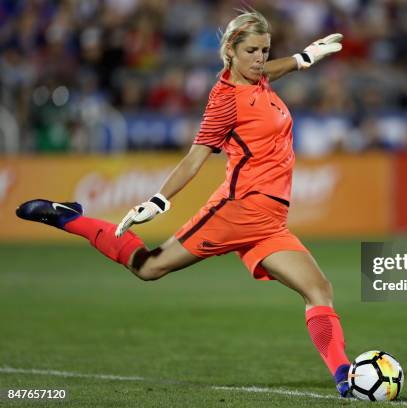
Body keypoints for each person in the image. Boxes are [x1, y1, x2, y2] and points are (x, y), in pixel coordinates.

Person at [16, 11, 352, 397]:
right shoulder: (225, 99)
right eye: (252, 51)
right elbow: (195, 158)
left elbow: (269, 72)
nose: (260, 58)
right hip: (238, 210)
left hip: (271, 222)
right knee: (150, 267)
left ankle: (345, 378)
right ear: (230, 51)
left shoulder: (259, 77)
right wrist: (159, 200)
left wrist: (304, 58)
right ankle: (70, 219)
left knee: (319, 290)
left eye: (265, 50)